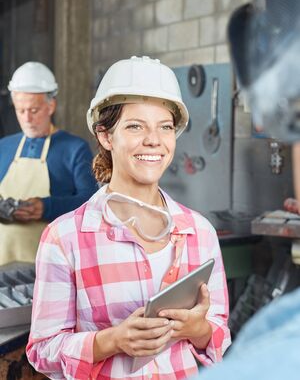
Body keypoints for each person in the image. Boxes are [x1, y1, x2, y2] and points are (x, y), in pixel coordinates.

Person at [26, 56, 231, 380]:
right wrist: (111, 341)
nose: (154, 140)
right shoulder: (65, 238)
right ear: (106, 136)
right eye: (135, 126)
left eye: (165, 127)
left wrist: (199, 329)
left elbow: (219, 334)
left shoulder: (199, 232)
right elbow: (42, 351)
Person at [0, 61, 98, 265]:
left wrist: (46, 207)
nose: (26, 118)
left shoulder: (75, 148)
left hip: (50, 266)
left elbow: (91, 204)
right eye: (20, 110)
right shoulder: (4, 146)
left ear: (50, 106)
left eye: (34, 110)